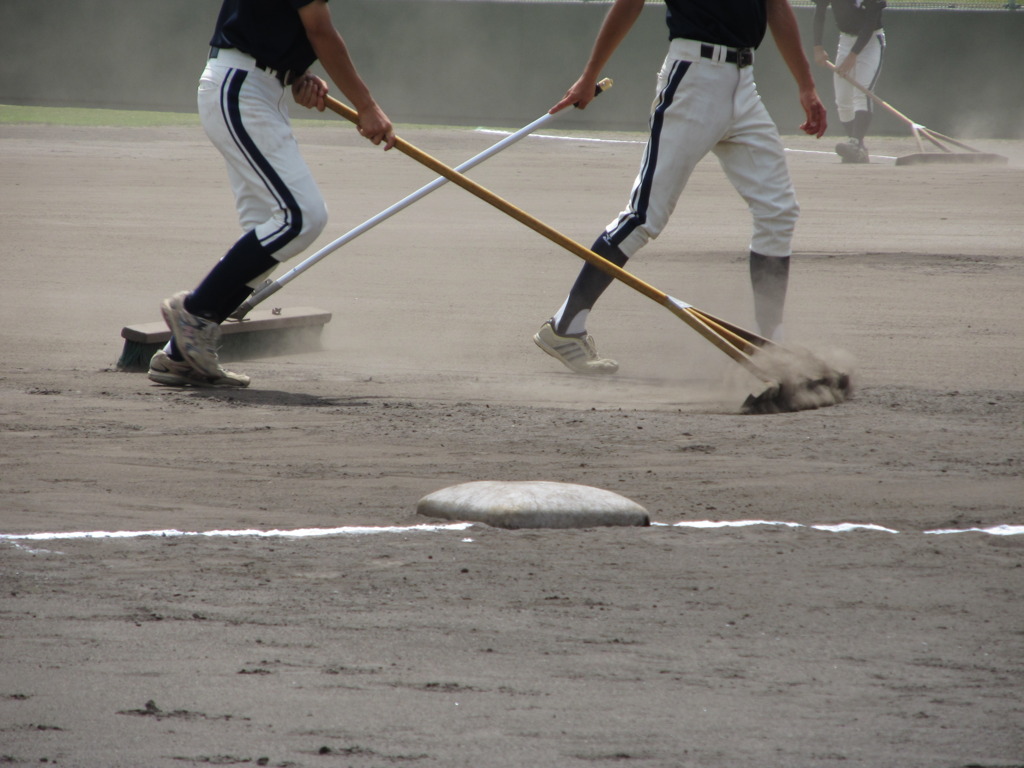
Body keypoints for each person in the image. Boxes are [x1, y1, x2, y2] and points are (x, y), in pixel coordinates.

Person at [533, 0, 827, 375]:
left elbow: (776, 6)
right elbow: (630, 3)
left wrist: (806, 85)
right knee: (643, 217)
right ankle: (565, 327)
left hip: (744, 83)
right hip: (693, 79)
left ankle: (771, 344)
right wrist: (590, 73)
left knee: (778, 210)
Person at [148, 0, 395, 388]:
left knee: (269, 233)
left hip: (258, 88)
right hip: (241, 88)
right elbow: (320, 30)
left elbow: (271, 20)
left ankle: (180, 357)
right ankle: (195, 314)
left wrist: (297, 73)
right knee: (301, 218)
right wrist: (366, 106)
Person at [812, 0, 886, 164]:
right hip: (845, 40)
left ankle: (855, 144)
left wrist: (853, 55)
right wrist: (817, 47)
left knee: (863, 92)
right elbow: (820, 12)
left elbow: (870, 23)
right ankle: (857, 148)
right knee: (843, 99)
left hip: (871, 41)